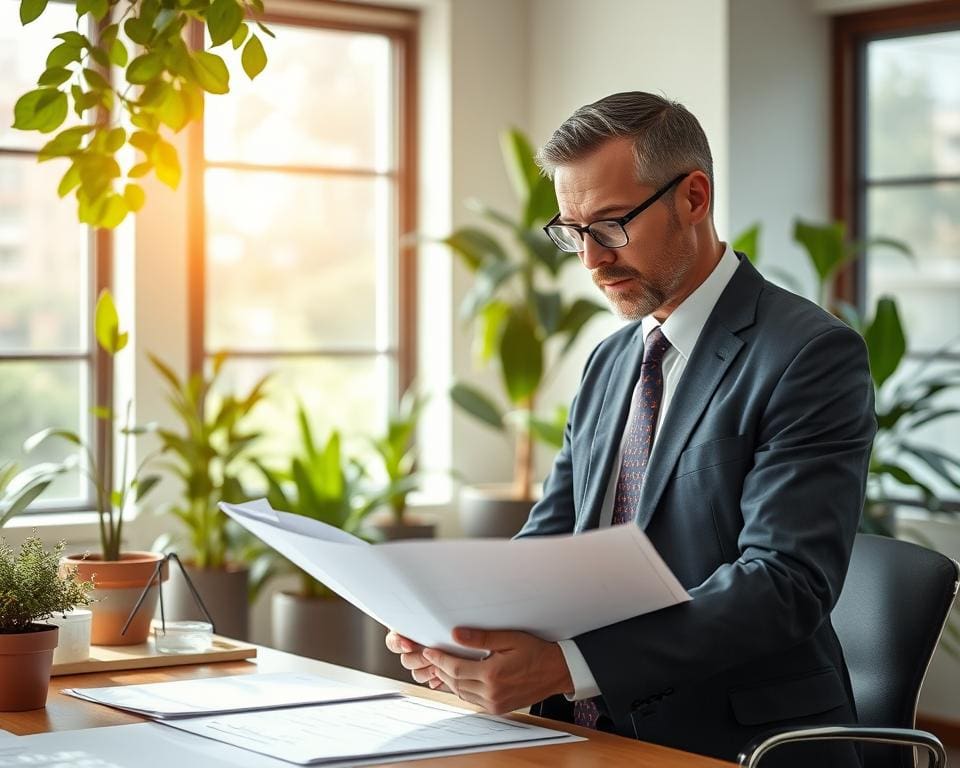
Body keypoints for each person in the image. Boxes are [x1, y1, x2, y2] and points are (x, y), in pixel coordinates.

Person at [385, 91, 875, 767]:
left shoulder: (809, 353)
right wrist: (463, 626)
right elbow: (553, 537)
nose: (590, 260)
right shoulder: (611, 359)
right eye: (572, 231)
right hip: (578, 737)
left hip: (735, 741)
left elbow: (782, 582)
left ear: (694, 197)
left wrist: (567, 667)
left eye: (612, 226)